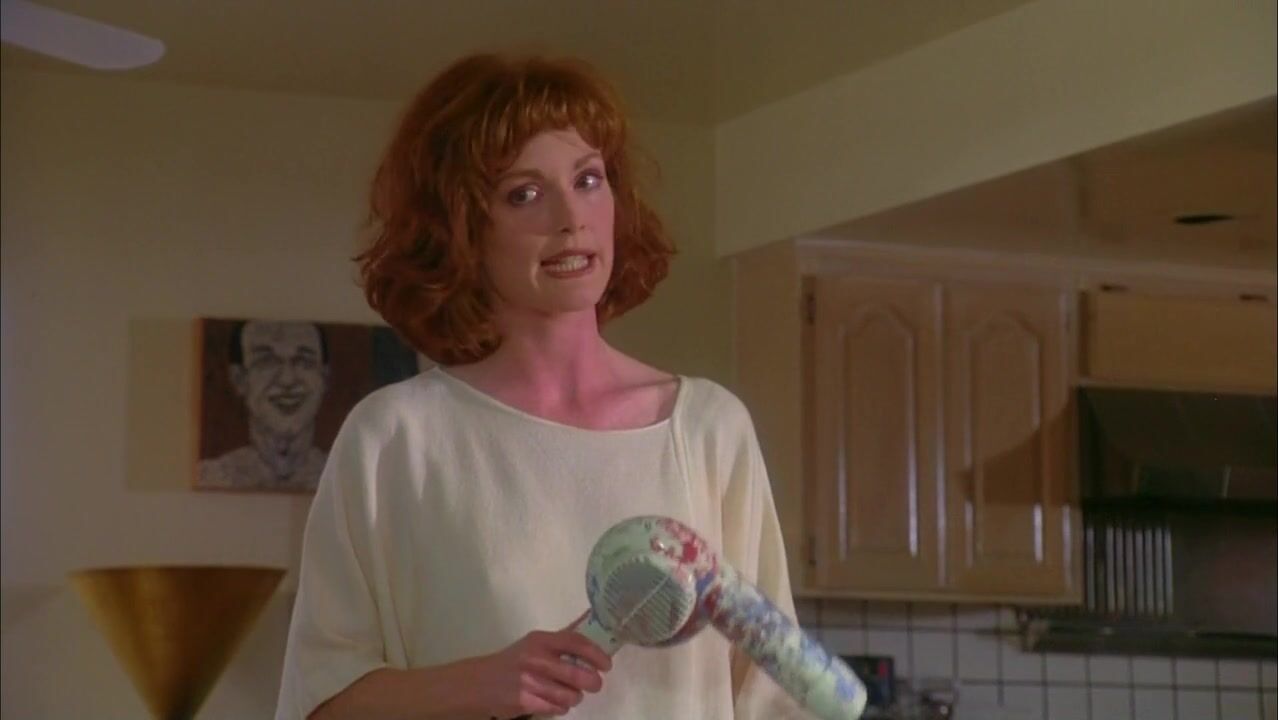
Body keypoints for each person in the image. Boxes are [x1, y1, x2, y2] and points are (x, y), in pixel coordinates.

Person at [275, 53, 806, 719]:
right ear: (462, 228)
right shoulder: (395, 439)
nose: (571, 218)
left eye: (588, 180)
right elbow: (318, 704)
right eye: (523, 194)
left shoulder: (708, 429)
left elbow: (776, 688)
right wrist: (481, 683)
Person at [199, 320, 330, 492]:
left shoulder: (347, 477)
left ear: (324, 377)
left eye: (304, 361)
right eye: (267, 362)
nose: (287, 380)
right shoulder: (209, 477)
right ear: (239, 379)